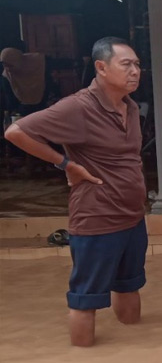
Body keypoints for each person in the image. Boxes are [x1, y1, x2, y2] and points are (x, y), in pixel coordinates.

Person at [4, 37, 147, 347]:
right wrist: (65, 164)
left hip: (133, 217)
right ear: (101, 67)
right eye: (127, 64)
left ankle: (136, 354)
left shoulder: (130, 107)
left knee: (129, 286)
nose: (135, 71)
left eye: (137, 65)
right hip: (97, 218)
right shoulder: (78, 107)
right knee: (86, 299)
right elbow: (16, 132)